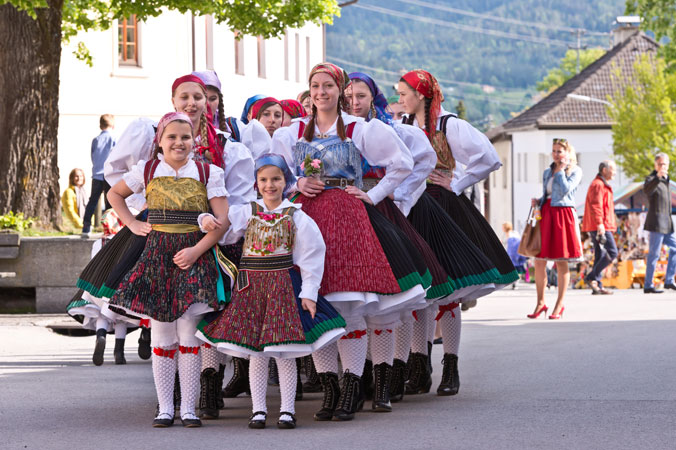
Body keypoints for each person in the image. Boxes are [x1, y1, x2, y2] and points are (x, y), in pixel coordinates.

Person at [271, 62, 430, 422]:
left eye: (328, 86)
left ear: (339, 90)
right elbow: (271, 172)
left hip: (345, 217)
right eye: (315, 86)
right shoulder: (292, 131)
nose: (321, 92)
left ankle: (351, 386)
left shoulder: (360, 128)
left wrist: (375, 196)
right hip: (304, 218)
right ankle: (330, 389)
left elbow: (402, 163)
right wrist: (296, 184)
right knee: (314, 305)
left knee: (348, 305)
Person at [346, 71, 499, 402]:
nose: (400, 99)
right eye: (397, 94)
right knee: (419, 295)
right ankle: (416, 364)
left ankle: (451, 365)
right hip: (406, 205)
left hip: (436, 206)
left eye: (405, 94)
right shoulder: (400, 127)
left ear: (422, 95)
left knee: (446, 294)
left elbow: (489, 158)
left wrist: (456, 183)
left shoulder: (448, 126)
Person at [196, 154, 346, 429]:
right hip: (251, 288)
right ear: (256, 182)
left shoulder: (296, 215)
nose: (269, 185)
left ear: (286, 181)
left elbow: (312, 254)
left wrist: (309, 292)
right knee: (257, 352)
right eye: (263, 179)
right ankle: (259, 410)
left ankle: (287, 410)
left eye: (276, 179)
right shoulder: (246, 211)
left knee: (284, 351)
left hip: (283, 287)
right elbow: (224, 227)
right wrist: (206, 219)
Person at [106, 112, 230, 428]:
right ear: (159, 141)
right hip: (157, 254)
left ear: (194, 140)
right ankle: (165, 407)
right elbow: (114, 194)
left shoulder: (207, 171)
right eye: (171, 137)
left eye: (185, 137)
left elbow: (221, 221)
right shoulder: (147, 169)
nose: (178, 142)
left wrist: (196, 250)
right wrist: (132, 222)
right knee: (162, 331)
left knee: (189, 332)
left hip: (193, 254)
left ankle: (187, 407)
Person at [67, 209, 131, 365]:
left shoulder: (98, 243)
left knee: (102, 316)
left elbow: (93, 263)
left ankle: (100, 337)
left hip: (98, 285)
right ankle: (119, 352)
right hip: (118, 286)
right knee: (120, 318)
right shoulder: (127, 242)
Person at [529, 138, 583, 319]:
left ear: (567, 153)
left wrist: (560, 171)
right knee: (539, 260)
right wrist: (538, 201)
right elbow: (548, 193)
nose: (556, 154)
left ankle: (559, 304)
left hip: (563, 214)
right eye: (554, 151)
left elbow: (567, 189)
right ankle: (540, 302)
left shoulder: (575, 171)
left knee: (561, 260)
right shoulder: (547, 171)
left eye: (560, 151)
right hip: (547, 213)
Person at [581, 160, 618, 295]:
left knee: (600, 254)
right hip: (600, 225)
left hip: (600, 224)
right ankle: (591, 277)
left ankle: (597, 285)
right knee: (613, 252)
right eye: (613, 169)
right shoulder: (598, 185)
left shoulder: (602, 184)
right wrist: (600, 224)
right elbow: (596, 206)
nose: (615, 172)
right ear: (604, 170)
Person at [643, 153, 676, 293]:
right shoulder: (652, 179)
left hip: (667, 224)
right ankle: (648, 285)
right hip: (656, 223)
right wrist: (657, 177)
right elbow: (647, 190)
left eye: (665, 164)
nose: (663, 167)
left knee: (675, 248)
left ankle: (669, 280)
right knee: (654, 254)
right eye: (660, 164)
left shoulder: (667, 180)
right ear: (656, 165)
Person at [82, 114, 115, 235]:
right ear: (113, 125)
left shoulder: (96, 139)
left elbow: (93, 155)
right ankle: (109, 227)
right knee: (110, 202)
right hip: (108, 175)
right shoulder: (113, 139)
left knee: (93, 201)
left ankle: (86, 227)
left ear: (100, 125)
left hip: (97, 174)